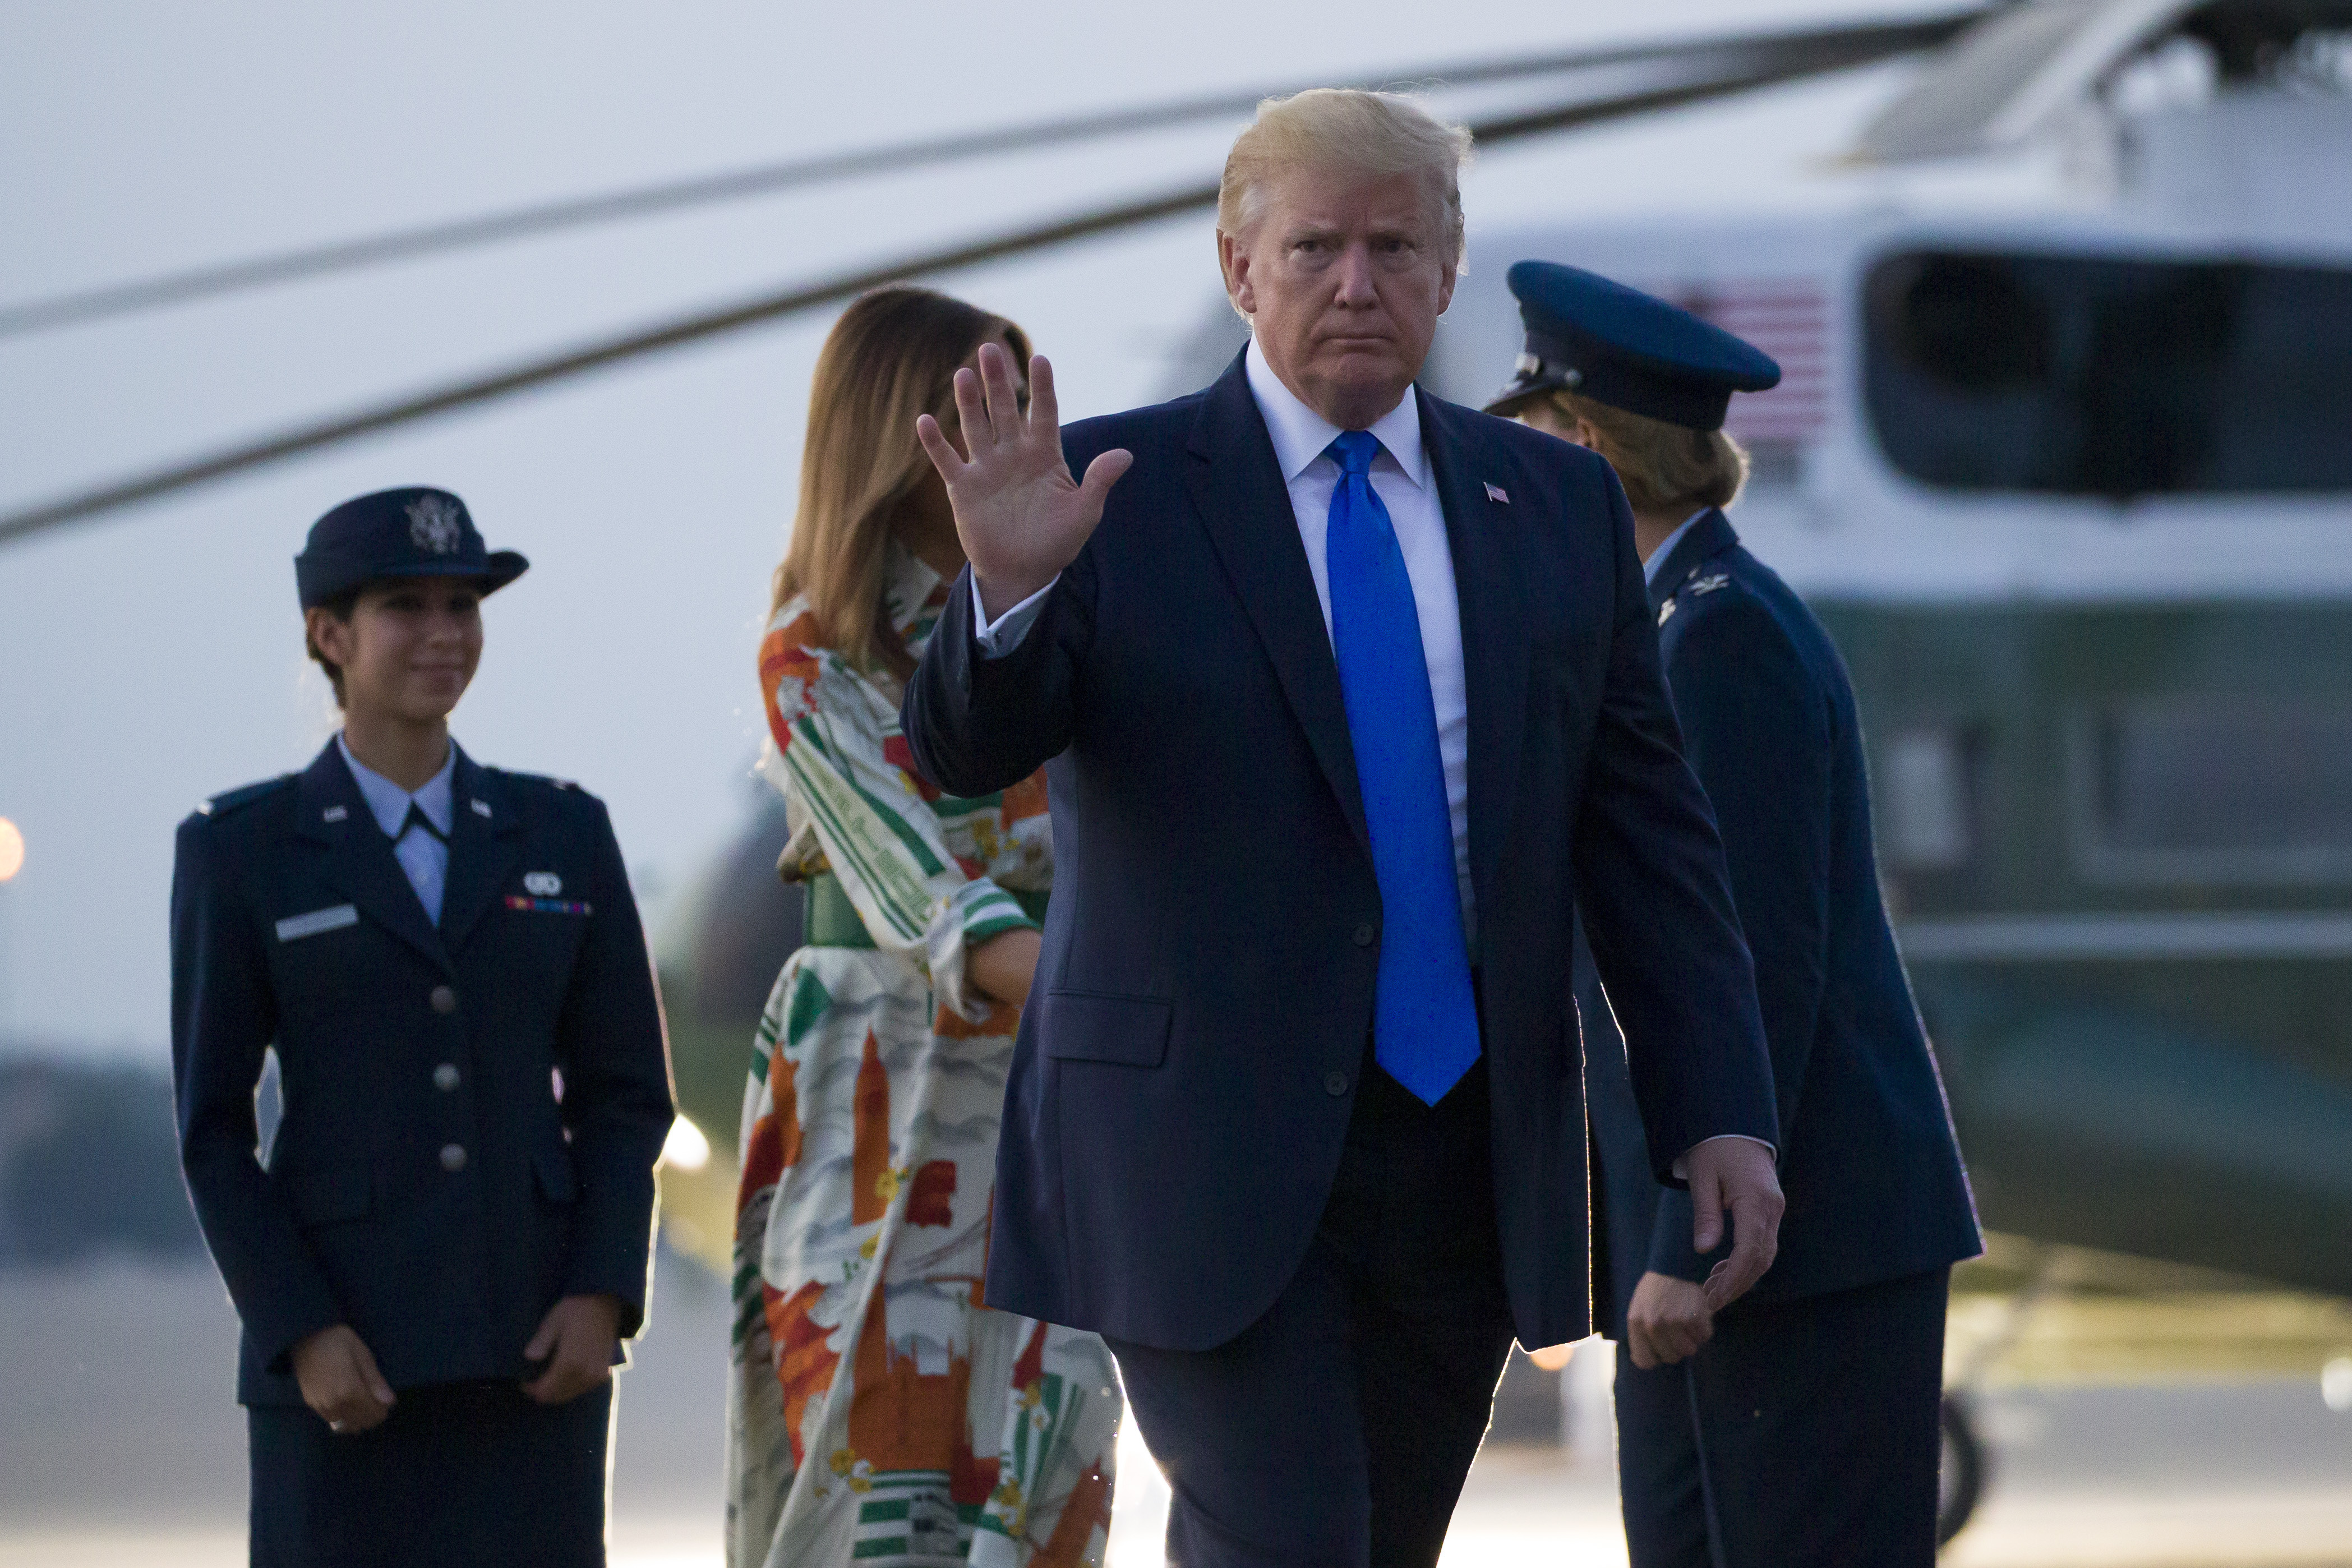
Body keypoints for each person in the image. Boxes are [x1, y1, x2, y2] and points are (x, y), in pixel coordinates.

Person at [898, 91, 1787, 1568]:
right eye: (1314, 247)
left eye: (1394, 246)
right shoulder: (1110, 494)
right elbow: (965, 748)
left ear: (1449, 271)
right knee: (1288, 1541)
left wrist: (1719, 1103)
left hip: (1462, 1158)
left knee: (1377, 1547)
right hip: (1199, 1156)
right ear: (1239, 269)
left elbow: (1649, 835)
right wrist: (1003, 596)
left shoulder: (1551, 500)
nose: (1356, 283)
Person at [1487, 260, 1983, 1567]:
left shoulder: (1720, 642)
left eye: (1527, 442)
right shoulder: (1670, 626)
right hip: (1742, 1245)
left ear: (1587, 451)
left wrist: (1681, 1250)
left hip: (1792, 1252)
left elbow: (1746, 963)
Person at [169, 487, 676, 1567]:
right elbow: (213, 1129)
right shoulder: (244, 851)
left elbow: (624, 1095)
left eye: (466, 605)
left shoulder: (562, 832)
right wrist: (299, 1331)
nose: (445, 635)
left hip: (536, 1353)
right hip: (347, 1368)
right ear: (328, 634)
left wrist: (602, 1293)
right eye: (408, 606)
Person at [726, 287, 1120, 1568]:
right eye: (978, 404)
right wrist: (1146, 1007)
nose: (1015, 432)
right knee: (872, 1490)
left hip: (1058, 1092)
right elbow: (923, 902)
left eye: (1019, 400)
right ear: (900, 436)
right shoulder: (815, 652)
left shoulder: (1078, 603)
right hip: (883, 1107)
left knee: (1050, 1477)